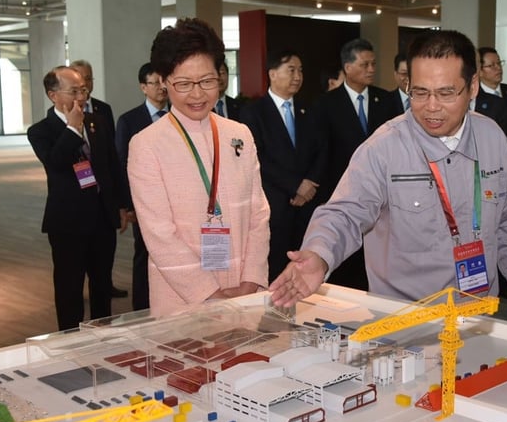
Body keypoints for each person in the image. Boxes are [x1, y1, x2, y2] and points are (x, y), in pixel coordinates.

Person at [271, 29, 507, 327]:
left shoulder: (493, 139)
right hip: (404, 325)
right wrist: (319, 255)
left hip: (478, 316)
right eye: (420, 92)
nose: (432, 106)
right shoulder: (384, 146)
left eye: (446, 93)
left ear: (473, 86)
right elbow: (345, 212)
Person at [127, 18, 270, 316]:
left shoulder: (238, 134)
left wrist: (251, 280)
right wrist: (210, 295)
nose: (197, 94)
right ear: (164, 82)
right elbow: (158, 235)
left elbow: (258, 213)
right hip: (183, 298)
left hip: (244, 291)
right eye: (183, 84)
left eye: (207, 81)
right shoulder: (147, 144)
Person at [28, 66, 121, 330]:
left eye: (83, 90)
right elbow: (55, 162)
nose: (81, 97)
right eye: (74, 91)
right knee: (70, 287)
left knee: (102, 283)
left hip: (102, 218)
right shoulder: (40, 131)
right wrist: (71, 129)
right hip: (68, 222)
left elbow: (111, 166)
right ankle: (70, 339)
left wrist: (121, 205)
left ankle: (105, 335)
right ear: (53, 95)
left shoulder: (98, 121)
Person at [314, 38, 404, 291]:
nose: (371, 69)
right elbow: (322, 151)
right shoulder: (326, 104)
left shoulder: (385, 100)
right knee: (346, 258)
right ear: (348, 67)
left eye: (374, 64)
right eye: (365, 64)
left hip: (382, 195)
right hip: (342, 190)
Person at [240, 49, 326, 280]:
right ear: (272, 74)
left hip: (307, 205)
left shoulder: (309, 110)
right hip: (274, 205)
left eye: (300, 70)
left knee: (305, 268)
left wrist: (308, 186)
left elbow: (322, 150)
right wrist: (295, 185)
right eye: (291, 70)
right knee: (275, 269)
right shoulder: (253, 113)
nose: (297, 76)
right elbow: (257, 158)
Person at [69, 59, 129, 300]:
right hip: (75, 205)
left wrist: (120, 202)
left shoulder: (102, 111)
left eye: (88, 81)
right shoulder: (59, 118)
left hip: (103, 199)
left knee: (102, 270)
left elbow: (112, 158)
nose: (85, 86)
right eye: (80, 83)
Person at [115, 62, 169, 311]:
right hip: (144, 201)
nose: (161, 87)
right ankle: (142, 308)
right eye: (154, 83)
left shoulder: (178, 116)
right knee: (145, 254)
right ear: (143, 87)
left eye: (163, 81)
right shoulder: (129, 120)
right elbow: (123, 164)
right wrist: (128, 204)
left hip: (175, 198)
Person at [474, 47, 507, 186]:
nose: (498, 68)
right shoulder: (474, 96)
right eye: (491, 65)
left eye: (499, 63)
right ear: (480, 71)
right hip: (487, 162)